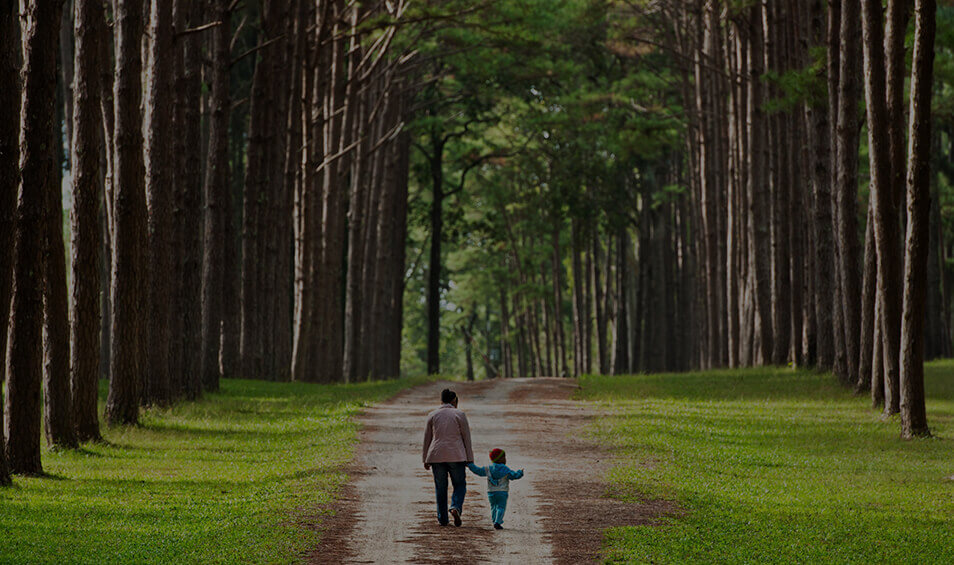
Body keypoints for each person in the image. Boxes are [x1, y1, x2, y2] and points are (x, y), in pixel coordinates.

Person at [422, 388, 474, 526]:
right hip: (456, 455)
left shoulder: (432, 415)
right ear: (453, 401)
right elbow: (466, 438)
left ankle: (443, 519)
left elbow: (427, 438)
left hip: (436, 455)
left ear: (441, 401)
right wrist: (470, 458)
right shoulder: (459, 414)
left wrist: (425, 459)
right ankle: (455, 506)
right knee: (459, 484)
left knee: (440, 487)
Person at [466, 448, 524, 530]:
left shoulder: (488, 468)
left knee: (493, 507)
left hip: (491, 492)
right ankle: (498, 521)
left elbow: (478, 471)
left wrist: (470, 465)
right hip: (502, 492)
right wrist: (520, 473)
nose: (505, 459)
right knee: (501, 507)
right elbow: (514, 476)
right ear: (500, 459)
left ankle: (494, 521)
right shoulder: (505, 469)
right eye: (504, 457)